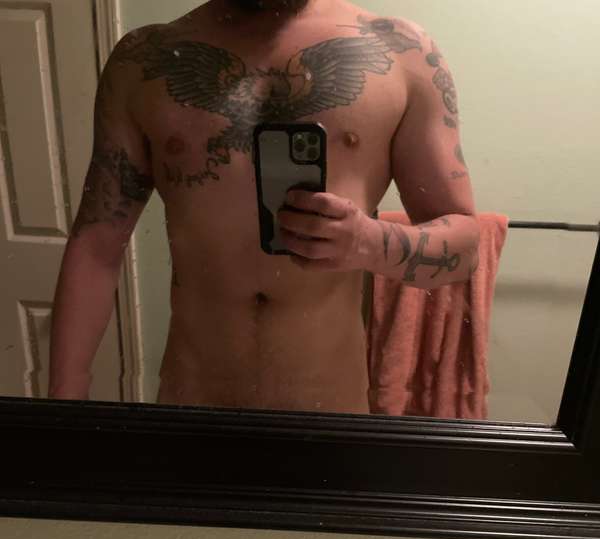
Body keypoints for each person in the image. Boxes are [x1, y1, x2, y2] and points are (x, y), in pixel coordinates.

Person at [48, 0, 480, 413]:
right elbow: (96, 246)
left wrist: (368, 243)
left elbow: (465, 247)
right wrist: (63, 408)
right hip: (192, 405)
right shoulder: (144, 62)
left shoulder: (400, 52)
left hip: (330, 410)